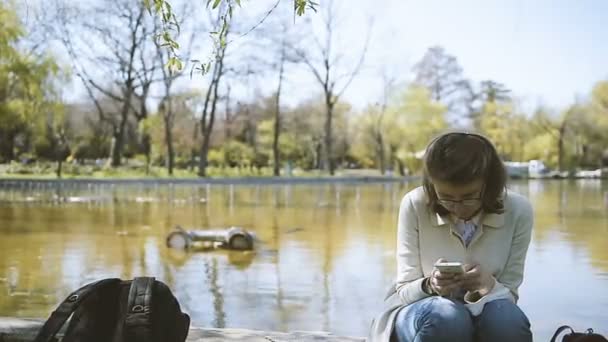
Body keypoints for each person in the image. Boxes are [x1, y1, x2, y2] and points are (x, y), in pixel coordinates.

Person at [368, 132, 534, 342]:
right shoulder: (414, 203)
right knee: (448, 317)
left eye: (469, 197)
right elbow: (404, 292)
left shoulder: (518, 210)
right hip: (420, 312)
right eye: (445, 197)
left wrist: (488, 285)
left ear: (490, 185)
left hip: (486, 310)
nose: (457, 207)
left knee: (507, 320)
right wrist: (430, 285)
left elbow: (510, 298)